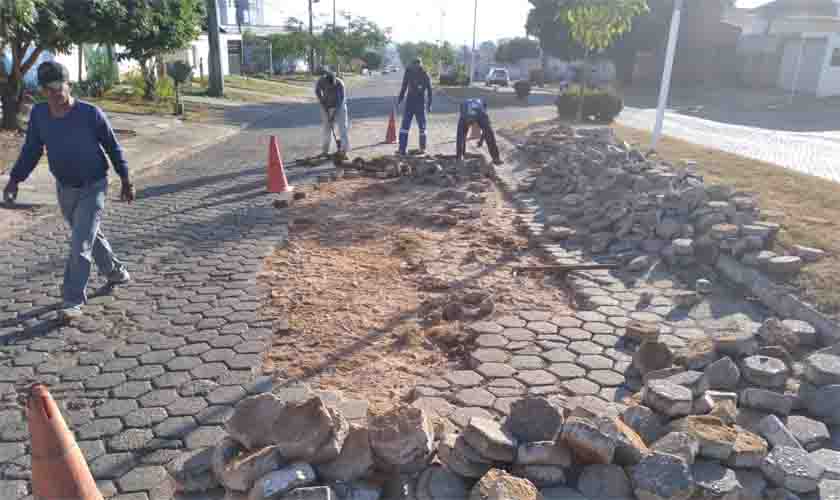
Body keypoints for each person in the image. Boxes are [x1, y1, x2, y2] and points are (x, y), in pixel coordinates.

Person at [2, 61, 135, 322]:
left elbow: (113, 147)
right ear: (42, 91)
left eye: (57, 87)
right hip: (65, 188)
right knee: (88, 236)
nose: (54, 93)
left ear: (68, 85)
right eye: (47, 89)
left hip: (94, 185)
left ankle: (73, 298)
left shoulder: (90, 113)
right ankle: (115, 271)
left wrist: (126, 179)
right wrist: (15, 180)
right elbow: (31, 150)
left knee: (80, 242)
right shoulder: (39, 115)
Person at [397, 58, 432, 155]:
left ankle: (418, 149)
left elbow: (429, 90)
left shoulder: (424, 74)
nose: (416, 67)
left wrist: (429, 104)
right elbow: (404, 87)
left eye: (417, 66)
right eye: (415, 66)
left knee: (420, 128)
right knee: (410, 127)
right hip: (412, 104)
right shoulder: (409, 72)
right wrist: (399, 100)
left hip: (418, 104)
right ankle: (403, 149)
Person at [456, 97, 502, 165]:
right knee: (490, 135)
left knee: (461, 136)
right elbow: (486, 133)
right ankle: (496, 158)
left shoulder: (465, 104)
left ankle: (460, 157)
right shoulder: (483, 112)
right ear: (485, 107)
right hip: (476, 114)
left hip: (464, 114)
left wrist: (481, 141)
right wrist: (481, 141)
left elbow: (461, 110)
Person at [314, 70, 350, 156]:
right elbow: (317, 91)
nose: (331, 88)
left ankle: (344, 150)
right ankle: (325, 151)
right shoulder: (321, 81)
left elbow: (340, 103)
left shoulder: (340, 84)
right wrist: (322, 102)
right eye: (329, 86)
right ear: (325, 81)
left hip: (340, 107)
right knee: (327, 129)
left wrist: (332, 116)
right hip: (326, 106)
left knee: (343, 128)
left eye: (333, 85)